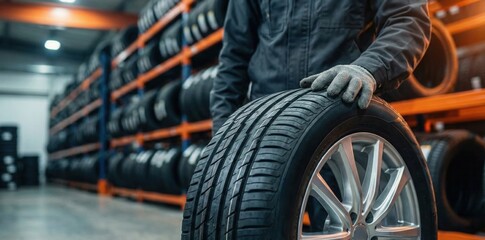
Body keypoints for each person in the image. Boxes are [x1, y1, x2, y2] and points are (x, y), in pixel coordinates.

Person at [210, 0, 431, 134]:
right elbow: (233, 56)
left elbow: (408, 21)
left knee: (348, 211)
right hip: (267, 128)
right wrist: (223, 130)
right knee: (257, 212)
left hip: (342, 123)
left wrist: (368, 69)